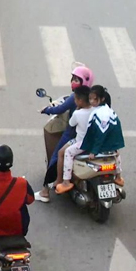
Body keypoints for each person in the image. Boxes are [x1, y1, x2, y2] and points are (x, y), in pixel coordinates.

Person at [35, 65, 95, 202]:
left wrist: (46, 110)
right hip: (91, 137)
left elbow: (61, 109)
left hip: (72, 136)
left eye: (76, 79)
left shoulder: (75, 98)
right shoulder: (93, 98)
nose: (73, 81)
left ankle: (47, 190)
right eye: (73, 78)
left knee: (57, 156)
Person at [81, 85, 126, 187]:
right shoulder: (108, 111)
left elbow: (100, 135)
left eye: (94, 99)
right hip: (112, 146)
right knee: (117, 156)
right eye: (90, 99)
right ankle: (118, 176)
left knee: (68, 153)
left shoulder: (100, 114)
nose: (92, 101)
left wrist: (93, 151)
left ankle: (65, 181)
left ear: (102, 99)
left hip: (102, 147)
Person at [54, 86, 93, 194]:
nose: (74, 101)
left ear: (80, 101)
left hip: (80, 142)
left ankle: (63, 180)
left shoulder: (77, 113)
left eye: (75, 99)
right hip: (95, 142)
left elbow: (71, 124)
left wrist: (76, 110)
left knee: (63, 152)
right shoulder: (95, 110)